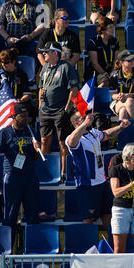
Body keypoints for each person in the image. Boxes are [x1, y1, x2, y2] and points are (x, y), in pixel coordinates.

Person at [66, 110, 131, 227]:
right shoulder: (73, 138)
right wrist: (84, 124)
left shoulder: (93, 133)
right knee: (88, 219)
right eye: (83, 117)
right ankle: (88, 244)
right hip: (87, 186)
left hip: (102, 182)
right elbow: (71, 141)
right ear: (76, 123)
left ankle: (108, 243)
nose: (87, 117)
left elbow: (107, 134)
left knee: (108, 215)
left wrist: (121, 127)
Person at [0, 103, 41, 245]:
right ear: (14, 117)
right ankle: (8, 247)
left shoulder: (31, 131)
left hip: (29, 177)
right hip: (12, 177)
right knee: (10, 214)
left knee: (32, 214)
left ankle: (32, 246)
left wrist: (37, 148)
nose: (27, 118)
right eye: (23, 116)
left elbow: (36, 157)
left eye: (27, 116)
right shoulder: (5, 132)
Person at [38, 41, 79, 179]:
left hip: (60, 111)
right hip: (45, 111)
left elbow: (74, 89)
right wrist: (40, 105)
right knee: (44, 141)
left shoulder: (65, 67)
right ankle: (45, 171)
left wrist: (67, 108)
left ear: (55, 53)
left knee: (63, 142)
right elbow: (41, 88)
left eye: (46, 51)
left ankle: (64, 173)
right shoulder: (44, 68)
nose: (43, 53)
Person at [0, 48, 34, 123]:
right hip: (3, 105)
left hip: (18, 105)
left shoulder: (22, 74)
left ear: (13, 61)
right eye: (1, 62)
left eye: (6, 62)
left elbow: (27, 94)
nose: (3, 64)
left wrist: (21, 100)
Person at [109, 50, 134, 120]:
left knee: (125, 107)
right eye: (129, 60)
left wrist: (128, 96)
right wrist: (119, 96)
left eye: (133, 59)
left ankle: (130, 130)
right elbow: (113, 95)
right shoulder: (114, 75)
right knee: (125, 107)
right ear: (121, 63)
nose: (132, 61)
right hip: (119, 101)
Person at [84, 17, 119, 85]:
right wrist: (105, 74)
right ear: (103, 30)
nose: (113, 29)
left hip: (111, 70)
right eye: (110, 27)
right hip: (96, 71)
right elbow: (95, 63)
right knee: (105, 82)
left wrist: (112, 73)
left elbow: (116, 60)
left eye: (113, 26)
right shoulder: (94, 41)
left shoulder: (115, 41)